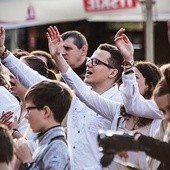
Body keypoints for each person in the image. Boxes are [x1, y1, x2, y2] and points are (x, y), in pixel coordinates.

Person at [0, 25, 123, 169]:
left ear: (113, 73)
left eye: (96, 62)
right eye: (90, 60)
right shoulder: (76, 94)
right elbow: (37, 81)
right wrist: (4, 53)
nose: (89, 64)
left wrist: (58, 58)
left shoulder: (119, 104)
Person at [46, 26, 162, 170]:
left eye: (134, 77)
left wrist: (129, 62)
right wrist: (57, 57)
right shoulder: (119, 110)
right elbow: (84, 93)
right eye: (128, 75)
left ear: (151, 86)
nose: (128, 80)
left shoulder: (158, 115)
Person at [98, 66, 170, 170]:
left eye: (169, 108)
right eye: (162, 111)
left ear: (149, 85)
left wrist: (137, 141)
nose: (166, 116)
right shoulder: (164, 128)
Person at [14, 80, 73, 170]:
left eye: (29, 109)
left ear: (46, 112)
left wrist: (27, 162)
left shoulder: (57, 146)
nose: (26, 115)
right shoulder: (43, 141)